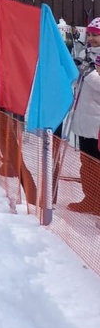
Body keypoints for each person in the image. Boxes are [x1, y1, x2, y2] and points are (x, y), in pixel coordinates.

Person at [64, 52, 100, 213]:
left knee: (97, 163)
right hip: (83, 119)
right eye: (90, 35)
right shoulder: (84, 53)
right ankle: (90, 199)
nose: (92, 38)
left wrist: (89, 72)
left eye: (96, 35)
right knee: (87, 164)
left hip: (97, 124)